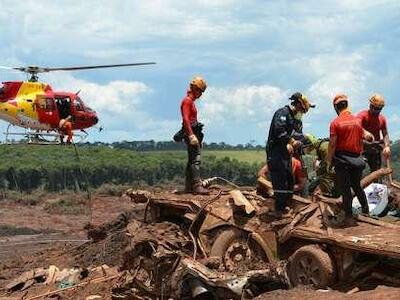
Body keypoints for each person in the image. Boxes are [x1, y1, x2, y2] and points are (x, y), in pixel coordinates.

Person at [327, 94, 374, 226]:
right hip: (357, 160)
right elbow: (368, 136)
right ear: (347, 105)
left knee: (345, 189)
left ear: (336, 107)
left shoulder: (335, 123)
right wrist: (369, 136)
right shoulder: (357, 121)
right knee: (357, 186)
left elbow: (332, 144)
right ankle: (366, 211)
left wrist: (329, 161)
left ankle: (348, 217)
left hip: (342, 160)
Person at [266, 92, 315, 215]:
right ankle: (279, 209)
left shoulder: (293, 118)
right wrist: (292, 141)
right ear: (298, 104)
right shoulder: (282, 113)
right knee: (280, 180)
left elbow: (293, 133)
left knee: (289, 180)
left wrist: (304, 139)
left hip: (285, 154)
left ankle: (285, 206)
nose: (302, 113)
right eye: (302, 110)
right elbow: (279, 131)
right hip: (276, 153)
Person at [180, 76, 209, 195]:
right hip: (191, 132)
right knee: (195, 159)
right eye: (200, 91)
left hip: (193, 131)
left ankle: (189, 186)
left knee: (191, 160)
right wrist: (191, 135)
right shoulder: (187, 101)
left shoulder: (190, 101)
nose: (200, 94)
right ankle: (196, 186)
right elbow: (186, 119)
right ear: (195, 89)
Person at [357, 94, 391, 172]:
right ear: (370, 106)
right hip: (362, 148)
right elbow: (355, 126)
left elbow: (385, 134)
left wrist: (387, 146)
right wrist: (365, 133)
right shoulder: (362, 115)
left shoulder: (382, 119)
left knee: (376, 172)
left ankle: (376, 183)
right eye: (375, 108)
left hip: (375, 149)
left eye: (379, 109)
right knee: (358, 170)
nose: (376, 111)